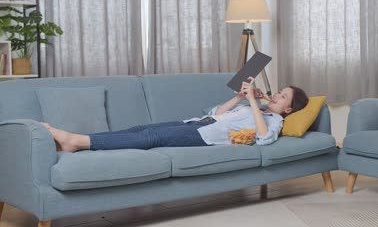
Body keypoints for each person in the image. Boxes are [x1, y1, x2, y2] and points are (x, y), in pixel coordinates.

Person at [43, 77, 309, 153]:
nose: (276, 95)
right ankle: (80, 140)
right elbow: (215, 113)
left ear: (287, 109)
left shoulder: (273, 120)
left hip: (205, 136)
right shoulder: (255, 107)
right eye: (279, 91)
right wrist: (240, 97)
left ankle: (75, 142)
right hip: (197, 123)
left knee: (152, 137)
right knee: (140, 129)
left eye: (282, 96)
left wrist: (253, 101)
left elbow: (263, 139)